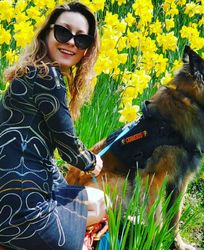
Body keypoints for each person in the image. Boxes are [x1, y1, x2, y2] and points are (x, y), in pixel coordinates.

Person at [0, 2, 108, 250]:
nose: (71, 43)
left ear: (87, 49)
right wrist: (92, 162)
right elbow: (67, 145)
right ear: (47, 33)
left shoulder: (28, 72)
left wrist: (64, 190)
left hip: (10, 196)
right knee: (100, 205)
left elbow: (43, 156)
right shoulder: (48, 76)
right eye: (63, 32)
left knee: (97, 201)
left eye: (81, 40)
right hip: (20, 212)